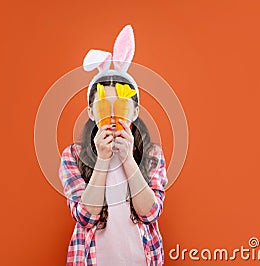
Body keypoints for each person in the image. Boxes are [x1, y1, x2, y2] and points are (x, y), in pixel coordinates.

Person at [59, 25, 168, 266]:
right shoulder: (73, 156)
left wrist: (129, 159)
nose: (112, 116)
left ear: (135, 112)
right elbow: (86, 216)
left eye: (120, 106)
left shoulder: (152, 155)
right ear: (90, 113)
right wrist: (102, 160)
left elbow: (149, 213)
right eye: (103, 107)